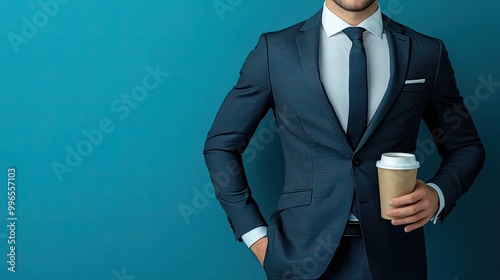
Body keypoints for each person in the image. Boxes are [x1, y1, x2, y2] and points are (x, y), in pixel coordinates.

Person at [203, 0, 486, 279]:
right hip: (299, 256)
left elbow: (466, 146)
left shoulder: (426, 51)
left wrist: (438, 194)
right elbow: (220, 146)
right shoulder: (275, 50)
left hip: (396, 254)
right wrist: (257, 237)